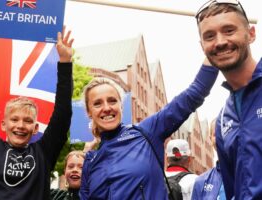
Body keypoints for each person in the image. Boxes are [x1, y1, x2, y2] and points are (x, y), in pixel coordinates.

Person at [79, 59, 218, 199]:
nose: (107, 108)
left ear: (121, 105)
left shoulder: (146, 132)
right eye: (97, 104)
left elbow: (194, 94)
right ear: (89, 112)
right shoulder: (90, 160)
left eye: (112, 101)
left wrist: (214, 52)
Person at [0, 24, 73, 199]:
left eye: (27, 121)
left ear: (35, 128)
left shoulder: (43, 153)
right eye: (15, 119)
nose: (20, 125)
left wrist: (65, 62)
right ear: (3, 125)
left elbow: (62, 115)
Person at [195, 0, 262, 199]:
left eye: (229, 30)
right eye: (210, 36)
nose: (220, 41)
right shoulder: (224, 119)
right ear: (202, 47)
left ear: (251, 34)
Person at [192, 119, 226, 200]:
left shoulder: (251, 175)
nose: (220, 137)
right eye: (215, 134)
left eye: (224, 131)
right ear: (210, 139)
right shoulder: (201, 182)